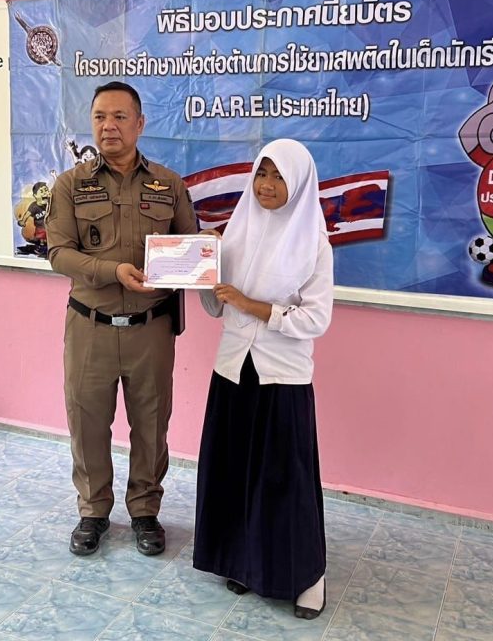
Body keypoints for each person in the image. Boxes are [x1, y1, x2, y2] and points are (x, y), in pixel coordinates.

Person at [45, 81, 197, 557]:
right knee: (87, 423)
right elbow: (58, 253)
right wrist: (113, 271)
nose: (108, 126)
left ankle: (145, 511)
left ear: (140, 123)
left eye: (119, 116)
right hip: (90, 326)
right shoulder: (71, 185)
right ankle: (93, 511)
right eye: (99, 117)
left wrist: (201, 257)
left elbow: (191, 248)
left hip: (152, 329)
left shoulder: (169, 185)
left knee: (151, 424)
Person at [193, 138, 333, 620]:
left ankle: (308, 577)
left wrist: (252, 305)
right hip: (233, 368)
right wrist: (204, 271)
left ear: (299, 183)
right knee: (234, 472)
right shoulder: (236, 232)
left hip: (282, 376)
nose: (267, 186)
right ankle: (243, 562)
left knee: (285, 479)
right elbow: (217, 306)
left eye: (278, 177)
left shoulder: (314, 243)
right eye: (261, 174)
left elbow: (316, 319)